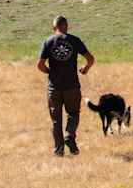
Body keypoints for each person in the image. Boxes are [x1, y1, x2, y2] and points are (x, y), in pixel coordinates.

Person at [37, 16, 94, 156]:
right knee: (73, 114)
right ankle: (69, 136)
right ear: (66, 26)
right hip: (72, 85)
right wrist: (85, 68)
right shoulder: (74, 40)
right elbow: (90, 59)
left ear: (53, 27)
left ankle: (59, 150)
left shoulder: (48, 41)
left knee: (56, 120)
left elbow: (40, 65)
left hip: (54, 87)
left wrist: (49, 72)